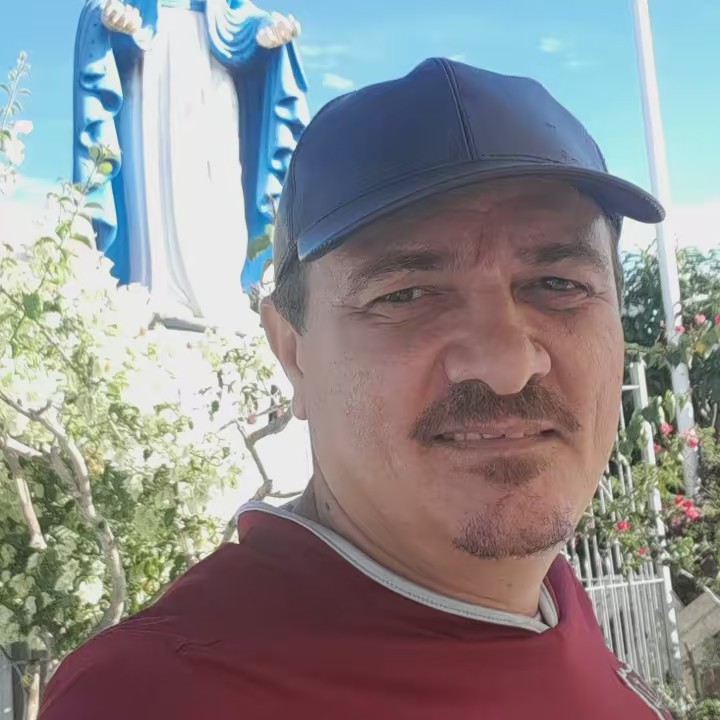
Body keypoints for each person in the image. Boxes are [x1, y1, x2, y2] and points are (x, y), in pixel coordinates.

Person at [42, 58, 674, 719]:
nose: (507, 364)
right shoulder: (157, 695)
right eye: (406, 294)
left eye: (559, 285)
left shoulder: (551, 598)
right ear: (293, 352)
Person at [73, 0, 309, 326]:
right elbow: (110, 10)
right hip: (151, 68)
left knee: (220, 180)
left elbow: (236, 13)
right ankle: (156, 292)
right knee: (158, 182)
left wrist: (261, 31)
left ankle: (221, 293)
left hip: (212, 68)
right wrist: (111, 18)